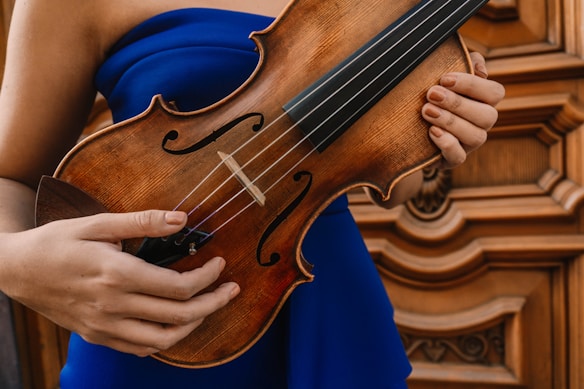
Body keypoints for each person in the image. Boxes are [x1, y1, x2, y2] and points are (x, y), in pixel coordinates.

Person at [0, 0, 505, 388]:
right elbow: (10, 178)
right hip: (146, 319)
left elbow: (397, 183)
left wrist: (447, 129)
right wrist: (15, 262)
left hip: (327, 303)